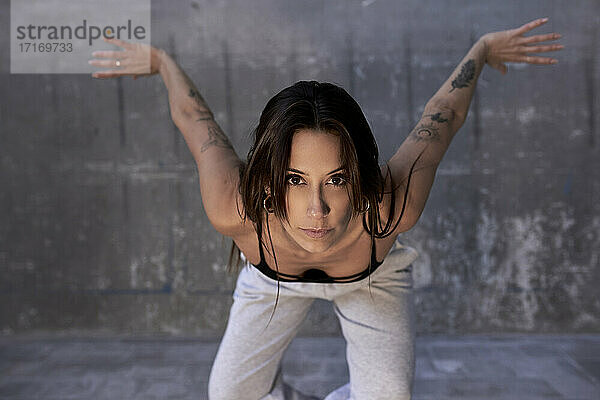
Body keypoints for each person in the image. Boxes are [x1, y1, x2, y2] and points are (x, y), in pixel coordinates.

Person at [90, 17, 563, 400]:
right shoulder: (236, 210)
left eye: (336, 180)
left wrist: (480, 50)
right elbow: (196, 119)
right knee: (229, 395)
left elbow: (443, 116)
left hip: (372, 281)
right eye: (295, 181)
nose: (316, 209)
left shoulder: (390, 209)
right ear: (269, 178)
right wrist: (162, 61)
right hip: (269, 280)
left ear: (359, 175)